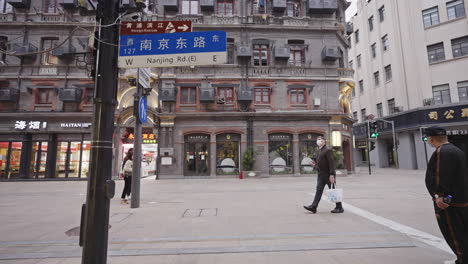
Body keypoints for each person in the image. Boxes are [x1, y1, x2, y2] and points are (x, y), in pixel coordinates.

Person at [424, 126, 468, 264]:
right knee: (461, 231)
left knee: (454, 233)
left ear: (431, 139)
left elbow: (440, 175)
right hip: (460, 199)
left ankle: (462, 259)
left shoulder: (442, 152)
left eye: (427, 139)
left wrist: (439, 195)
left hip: (449, 203)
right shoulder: (456, 150)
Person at [304, 136, 344, 214]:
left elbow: (331, 163)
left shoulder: (327, 150)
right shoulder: (319, 150)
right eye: (317, 139)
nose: (318, 141)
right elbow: (320, 162)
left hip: (328, 174)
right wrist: (315, 165)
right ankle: (314, 207)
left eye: (320, 139)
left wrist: (332, 174)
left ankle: (339, 207)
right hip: (321, 174)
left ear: (324, 141)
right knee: (318, 190)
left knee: (333, 190)